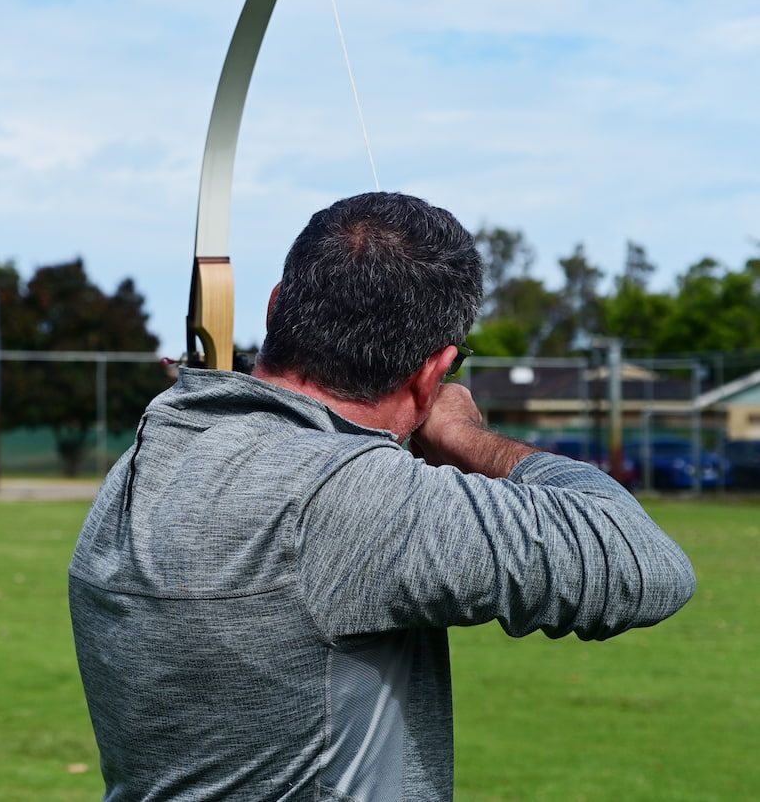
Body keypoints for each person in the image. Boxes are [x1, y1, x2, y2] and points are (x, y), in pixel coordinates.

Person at [68, 192, 695, 801]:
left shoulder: (157, 449)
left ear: (277, 306)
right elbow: (644, 560)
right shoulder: (345, 498)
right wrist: (463, 435)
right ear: (432, 373)